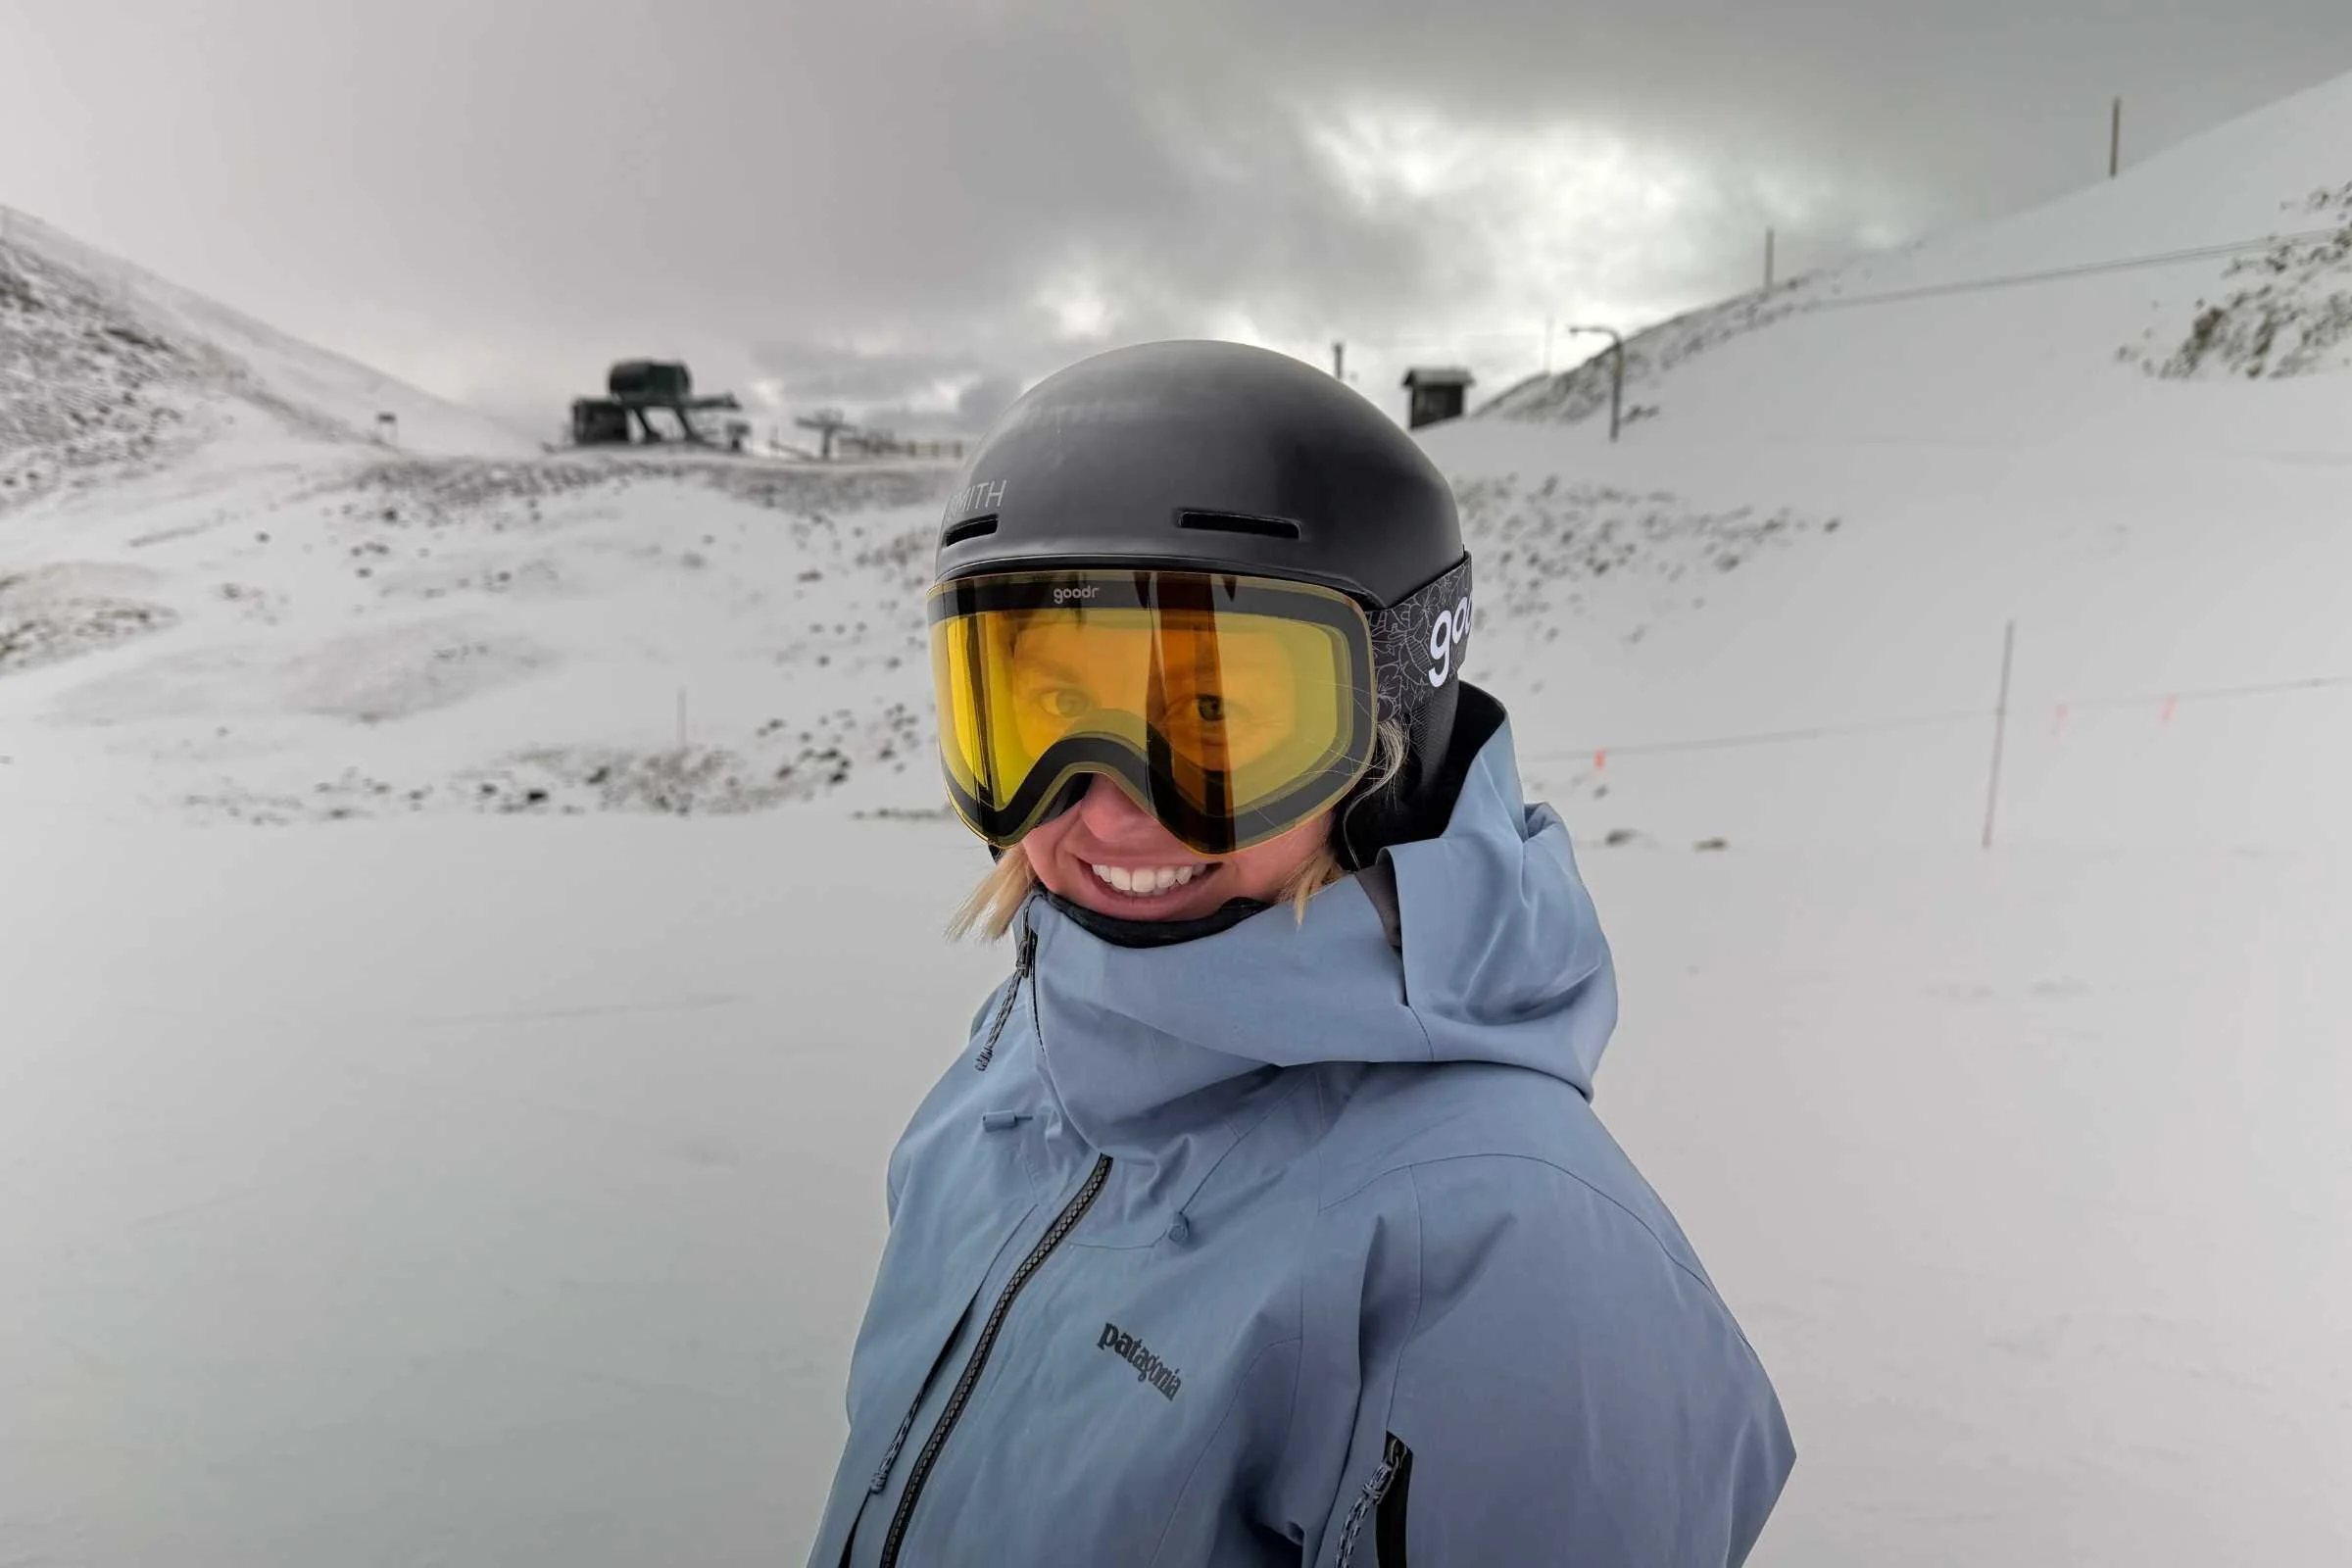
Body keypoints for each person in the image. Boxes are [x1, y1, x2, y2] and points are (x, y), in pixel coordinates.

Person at [808, 340, 1793, 1567]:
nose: (1109, 808)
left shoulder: (1513, 1253)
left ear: (1387, 742)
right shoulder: (1015, 1079)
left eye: (1213, 718)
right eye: (1053, 713)